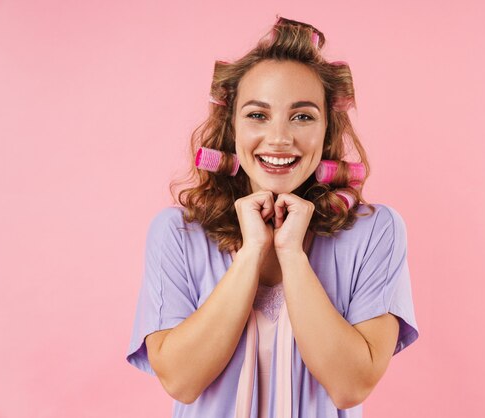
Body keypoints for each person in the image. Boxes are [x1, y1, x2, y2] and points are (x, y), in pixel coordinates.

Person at [126, 16, 419, 418]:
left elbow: (351, 385)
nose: (279, 138)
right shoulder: (177, 233)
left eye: (302, 116)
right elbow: (181, 380)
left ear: (327, 129)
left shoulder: (375, 231)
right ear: (231, 128)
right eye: (257, 115)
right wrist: (251, 253)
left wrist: (292, 254)